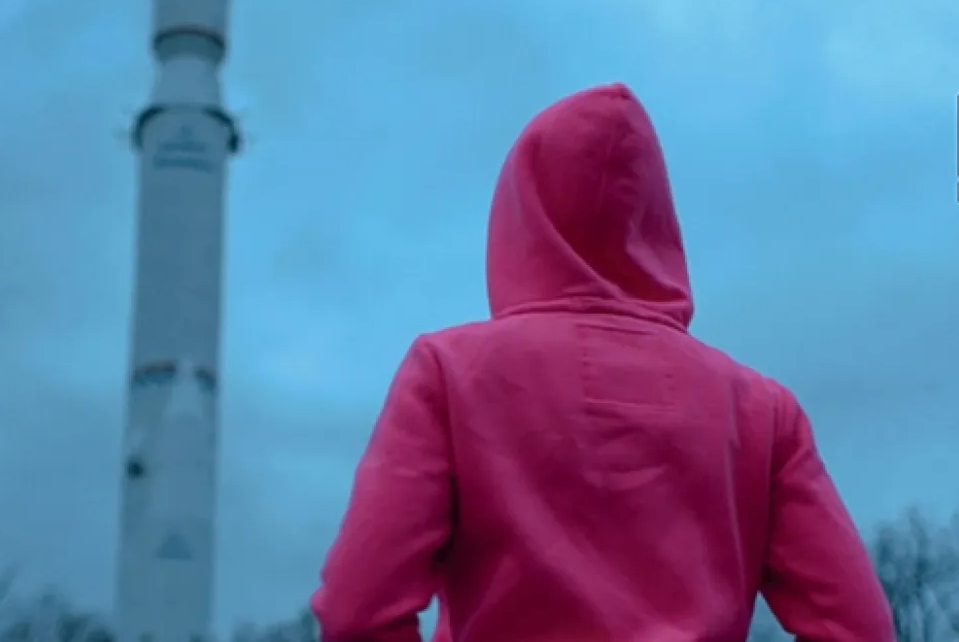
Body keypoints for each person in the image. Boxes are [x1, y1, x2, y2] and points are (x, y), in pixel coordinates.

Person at [310, 83, 895, 642]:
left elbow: (357, 613)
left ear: (518, 213)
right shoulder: (763, 411)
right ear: (657, 221)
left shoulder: (447, 373)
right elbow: (859, 628)